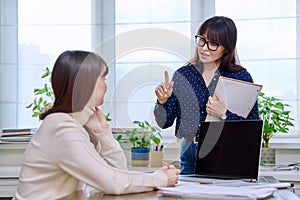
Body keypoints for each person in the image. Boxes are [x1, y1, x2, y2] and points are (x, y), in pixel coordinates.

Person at [14, 50, 180, 200]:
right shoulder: (61, 127)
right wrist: (160, 178)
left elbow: (119, 171)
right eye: (103, 78)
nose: (105, 85)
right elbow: (113, 183)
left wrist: (103, 132)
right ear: (86, 84)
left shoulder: (74, 123)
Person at [154, 16, 259, 174]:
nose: (204, 48)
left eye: (213, 44)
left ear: (227, 48)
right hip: (189, 151)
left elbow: (251, 128)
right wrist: (162, 102)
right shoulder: (184, 75)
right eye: (202, 40)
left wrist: (224, 114)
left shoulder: (240, 77)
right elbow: (165, 123)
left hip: (224, 150)